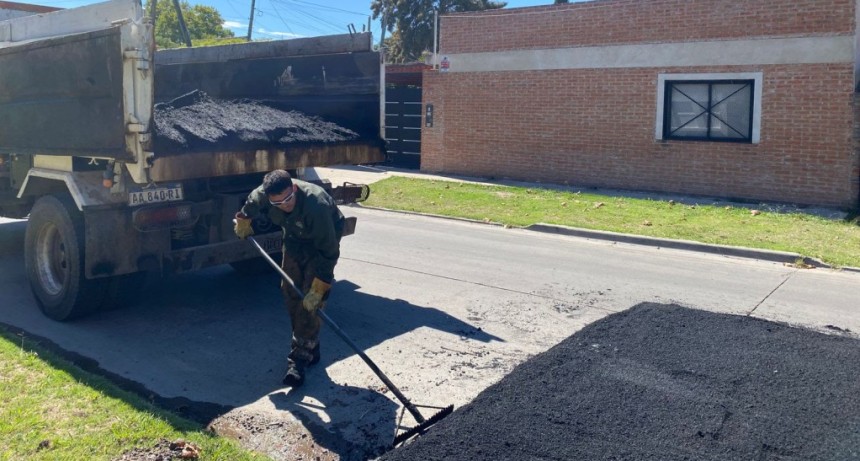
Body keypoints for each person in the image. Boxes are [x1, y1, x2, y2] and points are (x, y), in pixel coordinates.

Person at [233, 169, 345, 387]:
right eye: (278, 203)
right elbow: (252, 202)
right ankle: (310, 345)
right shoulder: (264, 195)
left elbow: (329, 251)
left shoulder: (316, 206)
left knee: (310, 302)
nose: (285, 205)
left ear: (294, 188)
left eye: (288, 199)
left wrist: (320, 286)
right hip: (294, 240)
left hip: (320, 245)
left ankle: (298, 360)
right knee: (290, 292)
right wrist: (244, 219)